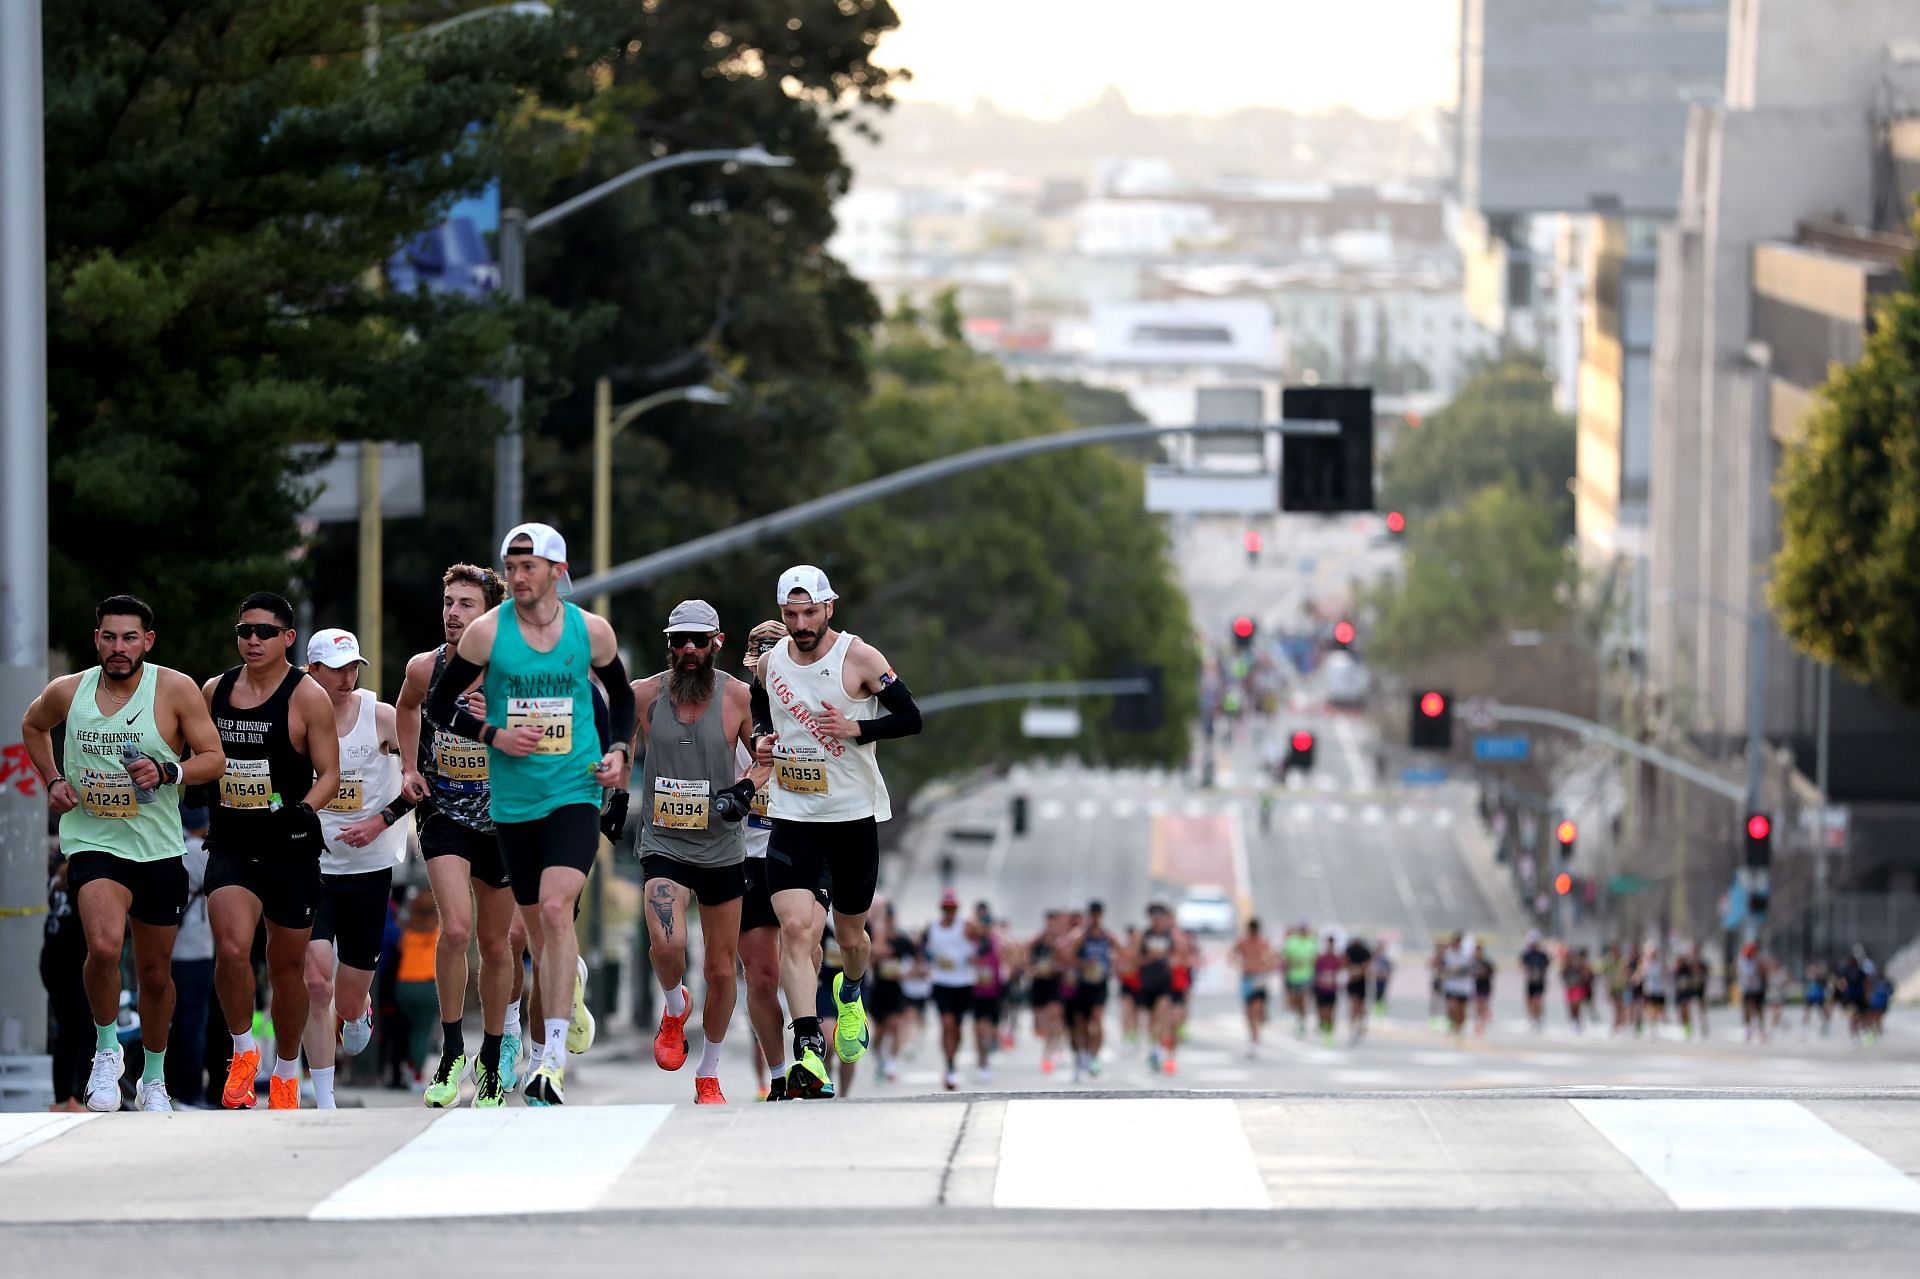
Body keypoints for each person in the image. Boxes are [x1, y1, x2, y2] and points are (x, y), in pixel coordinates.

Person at [424, 523, 635, 1107]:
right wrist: (494, 733)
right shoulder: (488, 635)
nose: (517, 577)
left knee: (552, 908)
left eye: (529, 566)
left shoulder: (589, 631)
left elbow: (620, 698)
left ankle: (551, 1061)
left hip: (574, 790)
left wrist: (617, 752)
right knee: (540, 936)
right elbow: (441, 706)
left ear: (558, 572)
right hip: (513, 801)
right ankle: (570, 984)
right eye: (510, 567)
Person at [22, 594, 228, 1113]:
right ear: (97, 640)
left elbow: (214, 759)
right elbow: (32, 725)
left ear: (147, 642)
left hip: (158, 848)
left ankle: (154, 1077)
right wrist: (51, 779)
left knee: (156, 974)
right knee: (106, 947)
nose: (119, 648)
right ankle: (107, 1049)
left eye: (129, 638)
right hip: (94, 841)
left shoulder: (175, 689)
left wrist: (167, 771)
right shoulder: (69, 691)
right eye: (109, 637)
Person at [753, 565, 924, 1099]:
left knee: (850, 937)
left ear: (829, 608)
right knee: (796, 931)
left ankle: (850, 994)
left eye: (809, 613)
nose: (800, 624)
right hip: (793, 816)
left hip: (852, 819)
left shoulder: (860, 658)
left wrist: (858, 728)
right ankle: (807, 1047)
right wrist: (762, 738)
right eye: (790, 614)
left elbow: (912, 717)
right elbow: (764, 706)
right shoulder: (771, 663)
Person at [198, 591, 339, 1110]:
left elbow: (330, 774)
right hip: (232, 841)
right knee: (232, 949)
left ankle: (285, 1071)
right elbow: (194, 752)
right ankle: (242, 1052)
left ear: (287, 637)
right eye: (243, 631)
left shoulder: (307, 697)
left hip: (289, 849)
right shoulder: (215, 690)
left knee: (287, 967)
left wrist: (304, 810)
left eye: (263, 632)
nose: (251, 640)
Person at [396, 564, 528, 1106]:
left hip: (502, 816)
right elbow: (406, 707)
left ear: (491, 614)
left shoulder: (516, 670)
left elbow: (546, 737)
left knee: (497, 944)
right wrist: (409, 767)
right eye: (448, 601)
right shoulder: (427, 668)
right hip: (445, 812)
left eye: (466, 604)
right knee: (455, 931)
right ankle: (450, 1052)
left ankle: (492, 1060)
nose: (453, 613)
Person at [631, 600, 758, 1105]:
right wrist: (615, 795)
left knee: (722, 969)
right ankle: (672, 1004)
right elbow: (618, 746)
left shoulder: (740, 698)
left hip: (722, 846)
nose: (688, 650)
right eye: (679, 640)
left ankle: (709, 1071)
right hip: (664, 839)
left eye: (698, 642)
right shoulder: (645, 695)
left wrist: (746, 789)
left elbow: (765, 756)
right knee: (667, 943)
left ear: (716, 644)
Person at [300, 630, 415, 1110]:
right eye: (337, 669)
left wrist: (380, 822)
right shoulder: (296, 718)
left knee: (344, 1003)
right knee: (314, 982)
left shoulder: (381, 717)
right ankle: (323, 1096)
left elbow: (420, 780)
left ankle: (357, 1011)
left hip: (367, 870)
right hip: (311, 866)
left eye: (354, 668)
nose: (348, 678)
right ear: (313, 673)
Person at [733, 620, 825, 1102]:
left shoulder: (810, 709)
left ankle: (809, 1048)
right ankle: (777, 1073)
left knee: (805, 948)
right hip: (747, 857)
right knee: (762, 976)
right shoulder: (732, 711)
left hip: (802, 847)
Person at [167, 809, 215, 1107]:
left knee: (172, 1021)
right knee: (194, 1024)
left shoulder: (171, 845)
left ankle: (169, 1085)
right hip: (197, 948)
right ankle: (191, 1090)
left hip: (169, 949)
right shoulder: (198, 851)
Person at [40, 853, 90, 1112]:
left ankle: (65, 1098)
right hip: (69, 961)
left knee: (69, 1031)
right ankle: (73, 1097)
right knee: (81, 1030)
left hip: (54, 959)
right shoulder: (78, 873)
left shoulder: (58, 879)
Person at [923, 889, 976, 1091]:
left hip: (963, 982)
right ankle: (949, 1065)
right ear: (941, 908)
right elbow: (923, 947)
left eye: (952, 908)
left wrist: (974, 953)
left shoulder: (966, 925)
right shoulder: (933, 926)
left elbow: (984, 938)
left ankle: (953, 1058)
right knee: (947, 1023)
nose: (949, 912)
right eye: (946, 908)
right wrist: (926, 963)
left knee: (958, 1027)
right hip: (941, 981)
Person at [393, 889, 443, 1077]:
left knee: (407, 1028)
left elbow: (399, 948)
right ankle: (417, 1073)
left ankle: (403, 1066)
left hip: (404, 985)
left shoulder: (407, 930)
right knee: (422, 1031)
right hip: (428, 986)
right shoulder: (438, 930)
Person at [1065, 901, 1114, 1079]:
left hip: (1100, 985)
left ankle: (1094, 1056)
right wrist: (1085, 964)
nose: (1095, 919)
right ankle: (1084, 1052)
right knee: (1083, 1024)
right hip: (1083, 984)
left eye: (1098, 915)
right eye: (1092, 915)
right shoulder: (1080, 937)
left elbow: (1122, 953)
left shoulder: (1107, 936)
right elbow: (1068, 958)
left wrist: (1114, 965)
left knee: (1098, 1019)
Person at [1231, 919, 1276, 1057]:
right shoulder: (1242, 942)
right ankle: (1252, 1039)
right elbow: (1232, 955)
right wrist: (1240, 964)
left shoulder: (1263, 943)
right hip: (1246, 978)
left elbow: (1273, 958)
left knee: (1255, 1010)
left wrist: (1266, 967)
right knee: (1248, 1011)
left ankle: (1255, 1042)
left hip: (1258, 978)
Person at [1282, 922, 1316, 1038]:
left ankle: (1302, 1023)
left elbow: (1314, 959)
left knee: (1303, 1000)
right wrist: (1295, 963)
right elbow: (1285, 957)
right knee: (1294, 1002)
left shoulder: (1312, 941)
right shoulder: (1292, 942)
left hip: (1306, 977)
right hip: (1293, 977)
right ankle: (1297, 1019)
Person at [1311, 933, 1343, 1046]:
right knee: (1322, 1013)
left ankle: (1329, 1035)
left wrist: (1336, 981)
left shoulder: (1337, 959)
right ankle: (1324, 1030)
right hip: (1321, 990)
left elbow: (1341, 974)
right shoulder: (1320, 958)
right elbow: (1314, 973)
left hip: (1332, 990)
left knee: (1331, 1014)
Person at [1342, 932, 1374, 1044]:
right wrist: (1354, 971)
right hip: (1353, 982)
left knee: (1360, 1005)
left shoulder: (1365, 951)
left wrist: (1359, 971)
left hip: (1361, 982)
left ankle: (1361, 1023)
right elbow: (1345, 964)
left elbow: (1367, 966)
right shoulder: (1349, 950)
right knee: (1353, 1003)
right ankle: (1352, 1026)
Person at [1519, 931, 1551, 1032]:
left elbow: (1547, 965)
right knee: (1529, 1001)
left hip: (1539, 981)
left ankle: (1538, 1018)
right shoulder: (1526, 954)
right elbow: (1522, 965)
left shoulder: (1542, 954)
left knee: (1538, 1001)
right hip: (1530, 981)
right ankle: (1531, 1018)